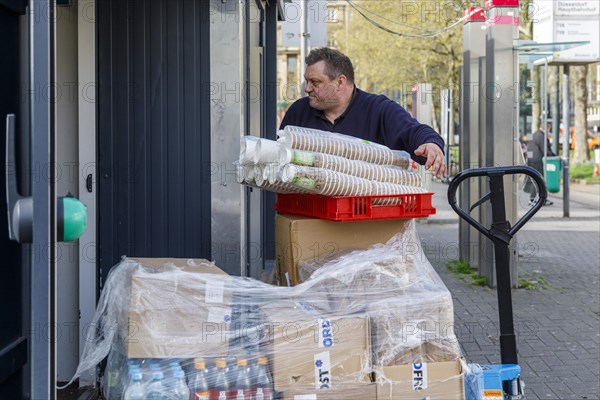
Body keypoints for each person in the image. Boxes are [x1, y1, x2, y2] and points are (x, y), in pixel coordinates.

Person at [279, 47, 447, 178]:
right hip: (307, 215)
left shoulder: (378, 109)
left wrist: (431, 144)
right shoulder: (298, 112)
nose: (307, 89)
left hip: (365, 217)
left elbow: (414, 131)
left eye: (315, 82)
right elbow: (279, 158)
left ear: (340, 82)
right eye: (307, 81)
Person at [526, 122, 555, 206]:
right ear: (547, 128)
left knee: (536, 179)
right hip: (538, 161)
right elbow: (545, 150)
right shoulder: (541, 136)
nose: (549, 130)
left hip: (531, 160)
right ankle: (536, 199)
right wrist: (554, 156)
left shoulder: (535, 134)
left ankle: (539, 199)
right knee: (539, 179)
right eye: (549, 129)